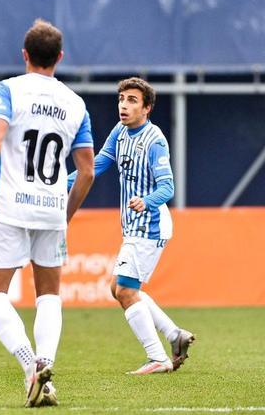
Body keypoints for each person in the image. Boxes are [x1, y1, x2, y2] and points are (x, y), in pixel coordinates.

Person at [0, 19, 95, 407]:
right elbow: (86, 170)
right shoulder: (76, 104)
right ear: (60, 58)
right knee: (49, 294)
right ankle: (45, 365)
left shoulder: (8, 90)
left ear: (25, 55)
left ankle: (30, 366)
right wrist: (64, 215)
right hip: (51, 210)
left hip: (12, 207)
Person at [68, 77, 195, 375]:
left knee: (125, 290)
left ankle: (158, 358)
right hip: (135, 226)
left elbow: (168, 187)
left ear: (147, 108)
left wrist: (146, 201)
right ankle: (174, 335)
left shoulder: (155, 140)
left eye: (132, 100)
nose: (124, 105)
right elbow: (96, 165)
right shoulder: (120, 132)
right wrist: (61, 183)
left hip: (149, 223)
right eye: (121, 99)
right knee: (119, 287)